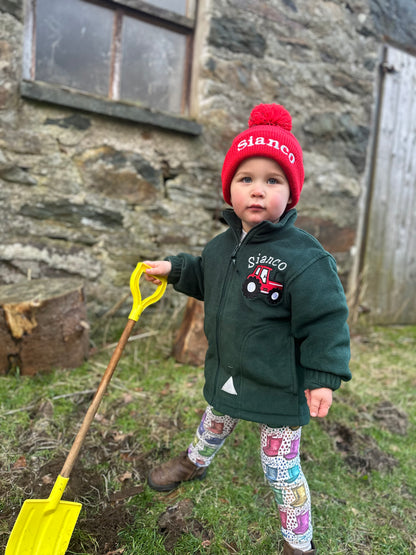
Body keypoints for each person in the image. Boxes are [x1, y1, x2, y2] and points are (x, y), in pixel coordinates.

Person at [144, 103, 351, 554]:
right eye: (247, 179)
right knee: (215, 416)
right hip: (229, 368)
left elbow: (326, 318)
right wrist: (174, 269)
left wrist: (322, 378)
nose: (258, 190)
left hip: (278, 382)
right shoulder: (220, 247)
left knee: (279, 466)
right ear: (230, 188)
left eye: (272, 180)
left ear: (290, 193)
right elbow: (206, 277)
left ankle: (299, 543)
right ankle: (195, 462)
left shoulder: (304, 256)